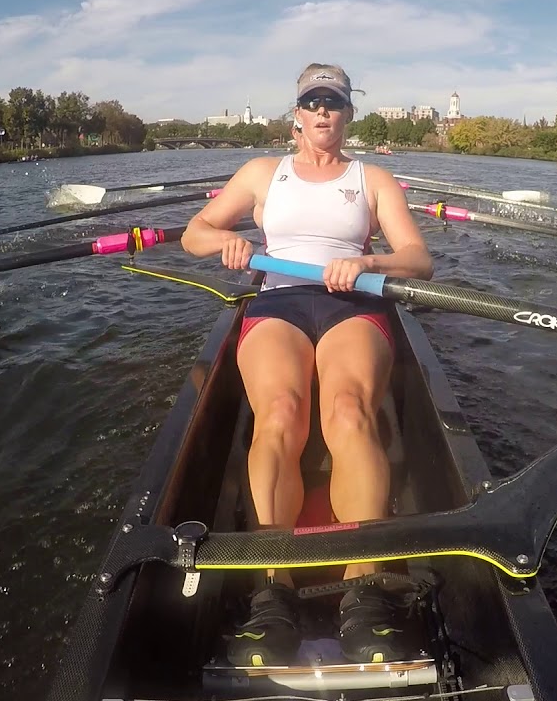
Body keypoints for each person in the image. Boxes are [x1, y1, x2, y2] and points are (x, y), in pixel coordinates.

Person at [180, 63, 434, 667]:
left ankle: (364, 588)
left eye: (335, 103)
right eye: (313, 102)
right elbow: (196, 232)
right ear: (296, 114)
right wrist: (229, 242)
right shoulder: (262, 173)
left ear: (348, 114)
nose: (323, 112)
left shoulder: (374, 179)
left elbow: (419, 259)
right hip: (278, 300)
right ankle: (273, 588)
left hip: (352, 301)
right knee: (280, 415)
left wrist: (371, 261)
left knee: (349, 412)